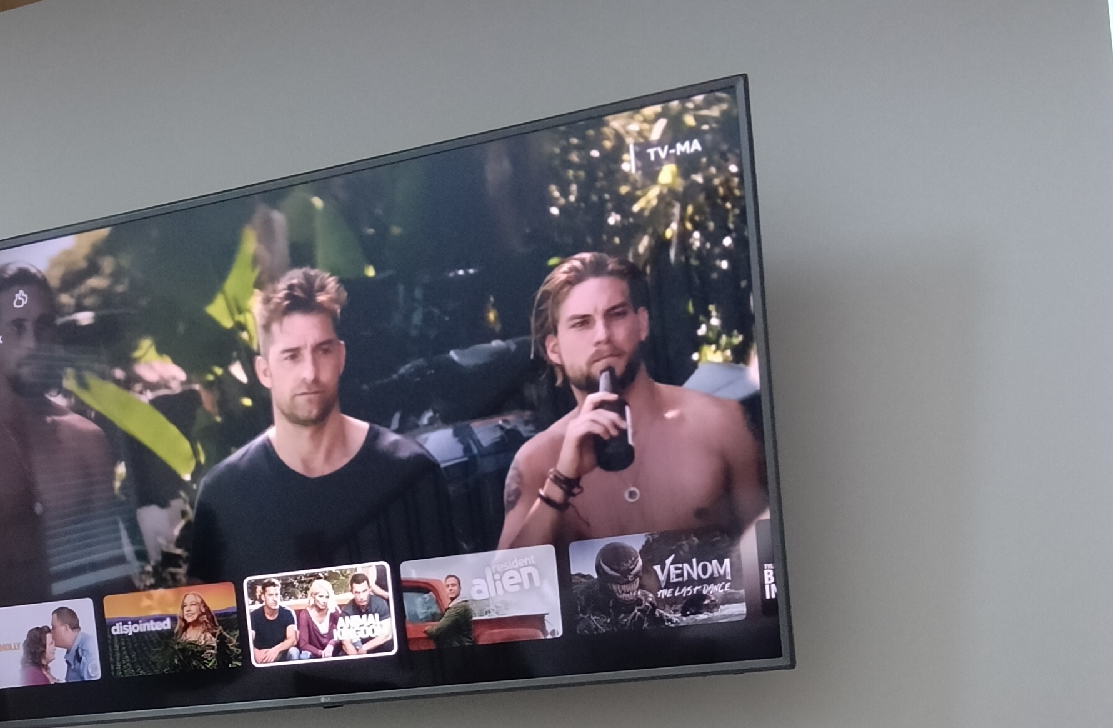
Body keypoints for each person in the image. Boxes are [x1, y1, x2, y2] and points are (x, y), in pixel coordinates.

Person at [187, 267, 459, 586]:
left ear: (341, 357)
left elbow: (450, 606)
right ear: (264, 371)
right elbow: (209, 617)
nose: (310, 373)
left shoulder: (410, 473)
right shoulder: (225, 496)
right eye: (291, 356)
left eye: (323, 351)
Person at [497, 254, 766, 550]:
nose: (602, 335)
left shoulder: (720, 424)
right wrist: (561, 481)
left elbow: (771, 555)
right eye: (582, 323)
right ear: (554, 349)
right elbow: (507, 579)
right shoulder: (536, 461)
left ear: (642, 324)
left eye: (616, 315)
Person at [0, 265, 119, 607]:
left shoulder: (87, 441)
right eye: (17, 327)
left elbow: (111, 575)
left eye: (43, 326)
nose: (33, 343)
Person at [167, 589, 240, 675]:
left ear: (202, 608)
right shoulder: (180, 636)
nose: (188, 609)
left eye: (193, 604)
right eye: (185, 606)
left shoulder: (214, 636)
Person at [334, 569, 394, 656]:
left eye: (364, 591)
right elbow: (346, 641)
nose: (361, 597)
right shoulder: (347, 611)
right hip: (357, 648)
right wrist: (355, 657)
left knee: (390, 645)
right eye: (357, 592)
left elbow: (387, 634)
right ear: (352, 592)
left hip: (377, 645)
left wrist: (365, 647)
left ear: (369, 589)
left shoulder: (380, 604)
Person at [248, 578, 298, 664]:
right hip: (262, 655)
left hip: (281, 653)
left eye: (277, 595)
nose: (274, 599)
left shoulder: (287, 613)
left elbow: (292, 639)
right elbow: (249, 639)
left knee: (294, 651)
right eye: (270, 595)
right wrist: (254, 651)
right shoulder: (254, 615)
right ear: (263, 597)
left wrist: (276, 650)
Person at [422, 572, 475, 649]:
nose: (450, 588)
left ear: (460, 588)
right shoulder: (454, 606)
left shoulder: (460, 607)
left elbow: (436, 631)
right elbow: (446, 616)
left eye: (453, 585)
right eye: (447, 586)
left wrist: (427, 630)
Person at [295, 577, 343, 658]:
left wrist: (331, 644)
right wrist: (320, 653)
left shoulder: (334, 611)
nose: (324, 601)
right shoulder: (305, 614)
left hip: (334, 652)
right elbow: (303, 644)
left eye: (327, 597)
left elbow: (342, 632)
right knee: (304, 656)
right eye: (320, 596)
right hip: (314, 654)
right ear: (313, 596)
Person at [49, 606, 97, 682]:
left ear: (66, 628)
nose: (51, 632)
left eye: (53, 627)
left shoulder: (88, 650)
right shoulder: (73, 651)